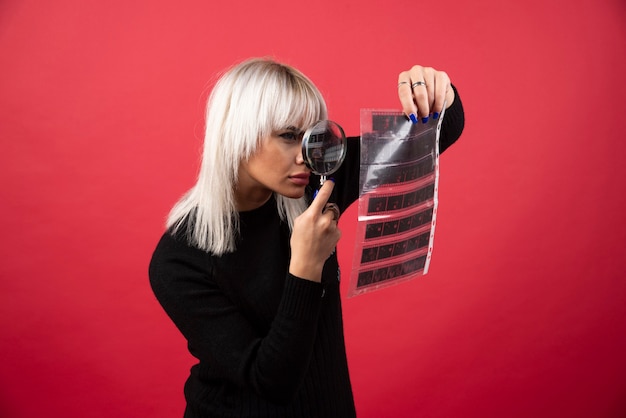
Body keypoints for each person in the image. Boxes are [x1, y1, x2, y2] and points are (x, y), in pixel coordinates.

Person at [149, 57, 465, 418]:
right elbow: (272, 382)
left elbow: (437, 134)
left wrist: (435, 90)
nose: (306, 155)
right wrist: (305, 267)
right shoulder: (178, 260)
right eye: (287, 136)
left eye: (312, 135)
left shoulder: (317, 182)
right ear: (237, 134)